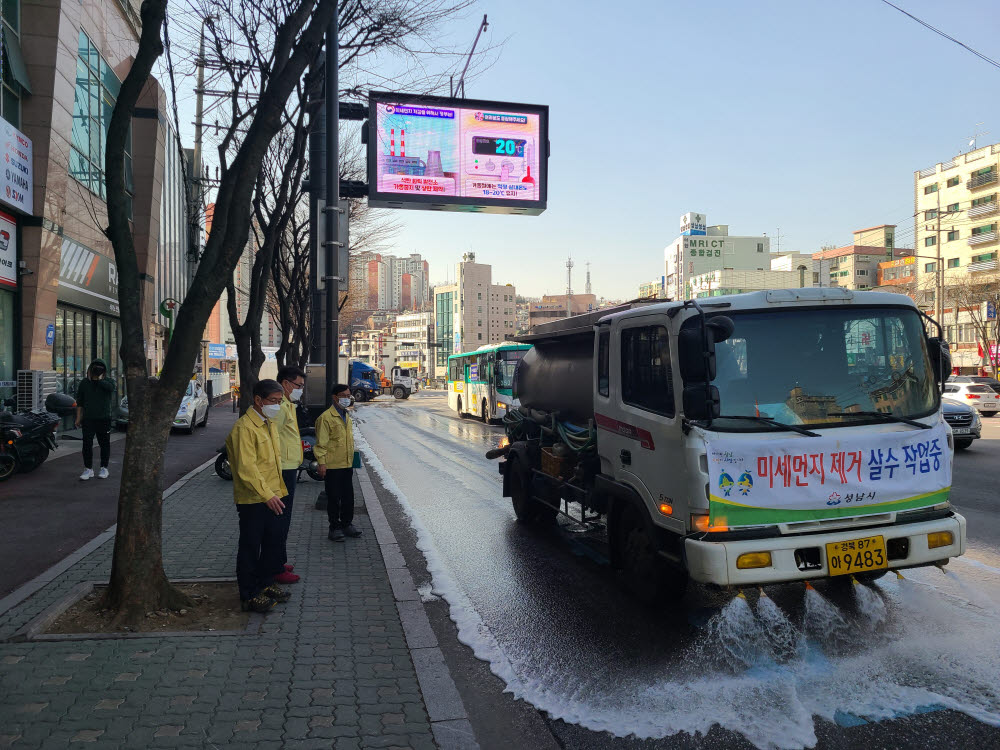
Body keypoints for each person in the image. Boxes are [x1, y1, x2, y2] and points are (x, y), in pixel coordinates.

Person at [226, 379, 293, 613]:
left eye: (279, 401)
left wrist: (276, 493)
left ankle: (265, 583)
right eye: (273, 401)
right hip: (254, 500)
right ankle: (249, 594)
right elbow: (247, 468)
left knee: (272, 542)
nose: (277, 405)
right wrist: (266, 495)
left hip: (273, 495)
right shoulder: (244, 428)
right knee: (250, 546)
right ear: (258, 400)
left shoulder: (269, 422)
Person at [272, 365, 306, 584]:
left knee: (284, 518)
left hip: (289, 466)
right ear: (285, 384)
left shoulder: (288, 405)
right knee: (280, 519)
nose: (301, 390)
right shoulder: (280, 407)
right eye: (298, 386)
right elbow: (271, 437)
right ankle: (275, 567)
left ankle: (278, 560)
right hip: (282, 469)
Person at [314, 383, 361, 542]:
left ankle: (347, 524)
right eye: (344, 396)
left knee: (348, 497)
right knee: (334, 498)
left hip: (347, 463)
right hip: (332, 465)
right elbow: (321, 444)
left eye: (349, 396)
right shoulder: (325, 418)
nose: (347, 399)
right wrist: (321, 463)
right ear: (335, 397)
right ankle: (334, 528)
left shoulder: (346, 415)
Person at [75, 359, 117, 480]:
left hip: (104, 419)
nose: (97, 369)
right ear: (90, 369)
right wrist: (78, 418)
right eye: (95, 367)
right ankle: (88, 469)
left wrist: (99, 379)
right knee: (86, 444)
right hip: (88, 419)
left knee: (104, 444)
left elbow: (110, 389)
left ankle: (104, 468)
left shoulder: (108, 381)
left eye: (100, 368)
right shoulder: (84, 383)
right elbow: (80, 402)